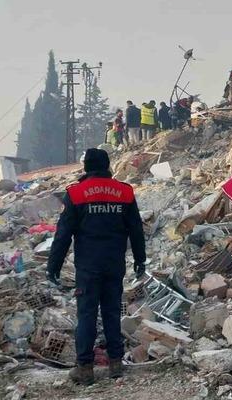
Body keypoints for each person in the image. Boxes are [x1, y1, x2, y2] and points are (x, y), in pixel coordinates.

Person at [46, 148, 146, 385]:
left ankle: (85, 368)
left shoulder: (76, 193)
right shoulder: (124, 192)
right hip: (114, 264)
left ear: (86, 168)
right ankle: (116, 364)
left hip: (88, 267)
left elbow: (63, 235)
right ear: (107, 165)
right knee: (112, 312)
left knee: (87, 315)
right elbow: (136, 229)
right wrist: (140, 260)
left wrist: (54, 266)